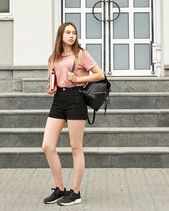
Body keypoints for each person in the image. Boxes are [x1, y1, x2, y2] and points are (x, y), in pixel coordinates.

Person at [42, 22, 105, 206]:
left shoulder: (81, 54)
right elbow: (53, 80)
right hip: (59, 100)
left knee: (75, 146)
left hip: (76, 99)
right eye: (68, 32)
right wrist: (51, 88)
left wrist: (79, 79)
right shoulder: (53, 57)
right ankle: (60, 188)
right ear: (61, 35)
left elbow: (99, 74)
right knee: (47, 145)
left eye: (74, 33)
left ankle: (75, 193)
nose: (72, 36)